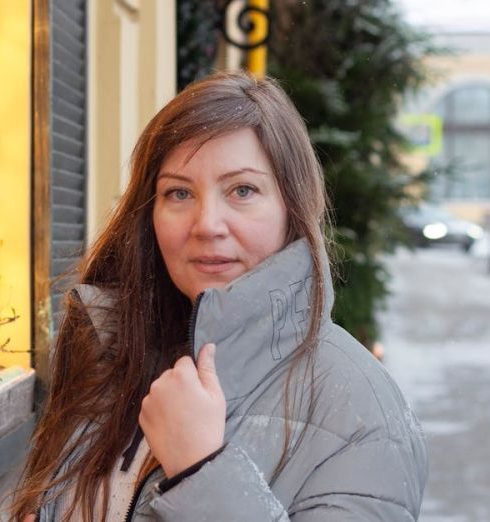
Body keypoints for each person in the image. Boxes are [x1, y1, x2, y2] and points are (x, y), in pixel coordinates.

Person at [12, 71, 428, 521]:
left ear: (291, 206)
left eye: (242, 190)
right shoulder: (108, 357)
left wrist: (201, 472)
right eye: (179, 192)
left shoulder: (360, 410)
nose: (207, 223)